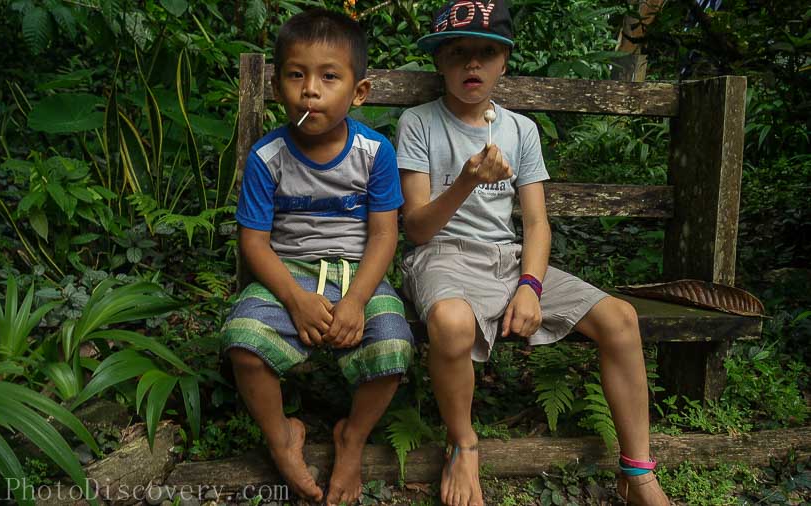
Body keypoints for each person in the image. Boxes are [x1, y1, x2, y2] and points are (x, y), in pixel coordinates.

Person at [395, 1, 671, 505]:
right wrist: (465, 183)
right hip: (443, 255)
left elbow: (537, 222)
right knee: (452, 323)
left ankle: (637, 472)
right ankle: (464, 443)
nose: (471, 64)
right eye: (458, 53)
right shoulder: (419, 123)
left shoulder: (521, 130)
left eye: (485, 52)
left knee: (621, 319)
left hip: (510, 259)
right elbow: (416, 229)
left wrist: (530, 285)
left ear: (503, 61)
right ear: (439, 62)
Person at [220, 8, 414, 506]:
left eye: (329, 77)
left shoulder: (375, 152)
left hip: (360, 275)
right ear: (277, 85)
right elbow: (255, 243)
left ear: (359, 91)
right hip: (287, 274)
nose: (311, 90)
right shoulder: (268, 157)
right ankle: (282, 436)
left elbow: (384, 237)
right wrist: (294, 298)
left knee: (393, 349)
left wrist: (355, 301)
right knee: (243, 344)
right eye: (296, 75)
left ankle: (352, 439)